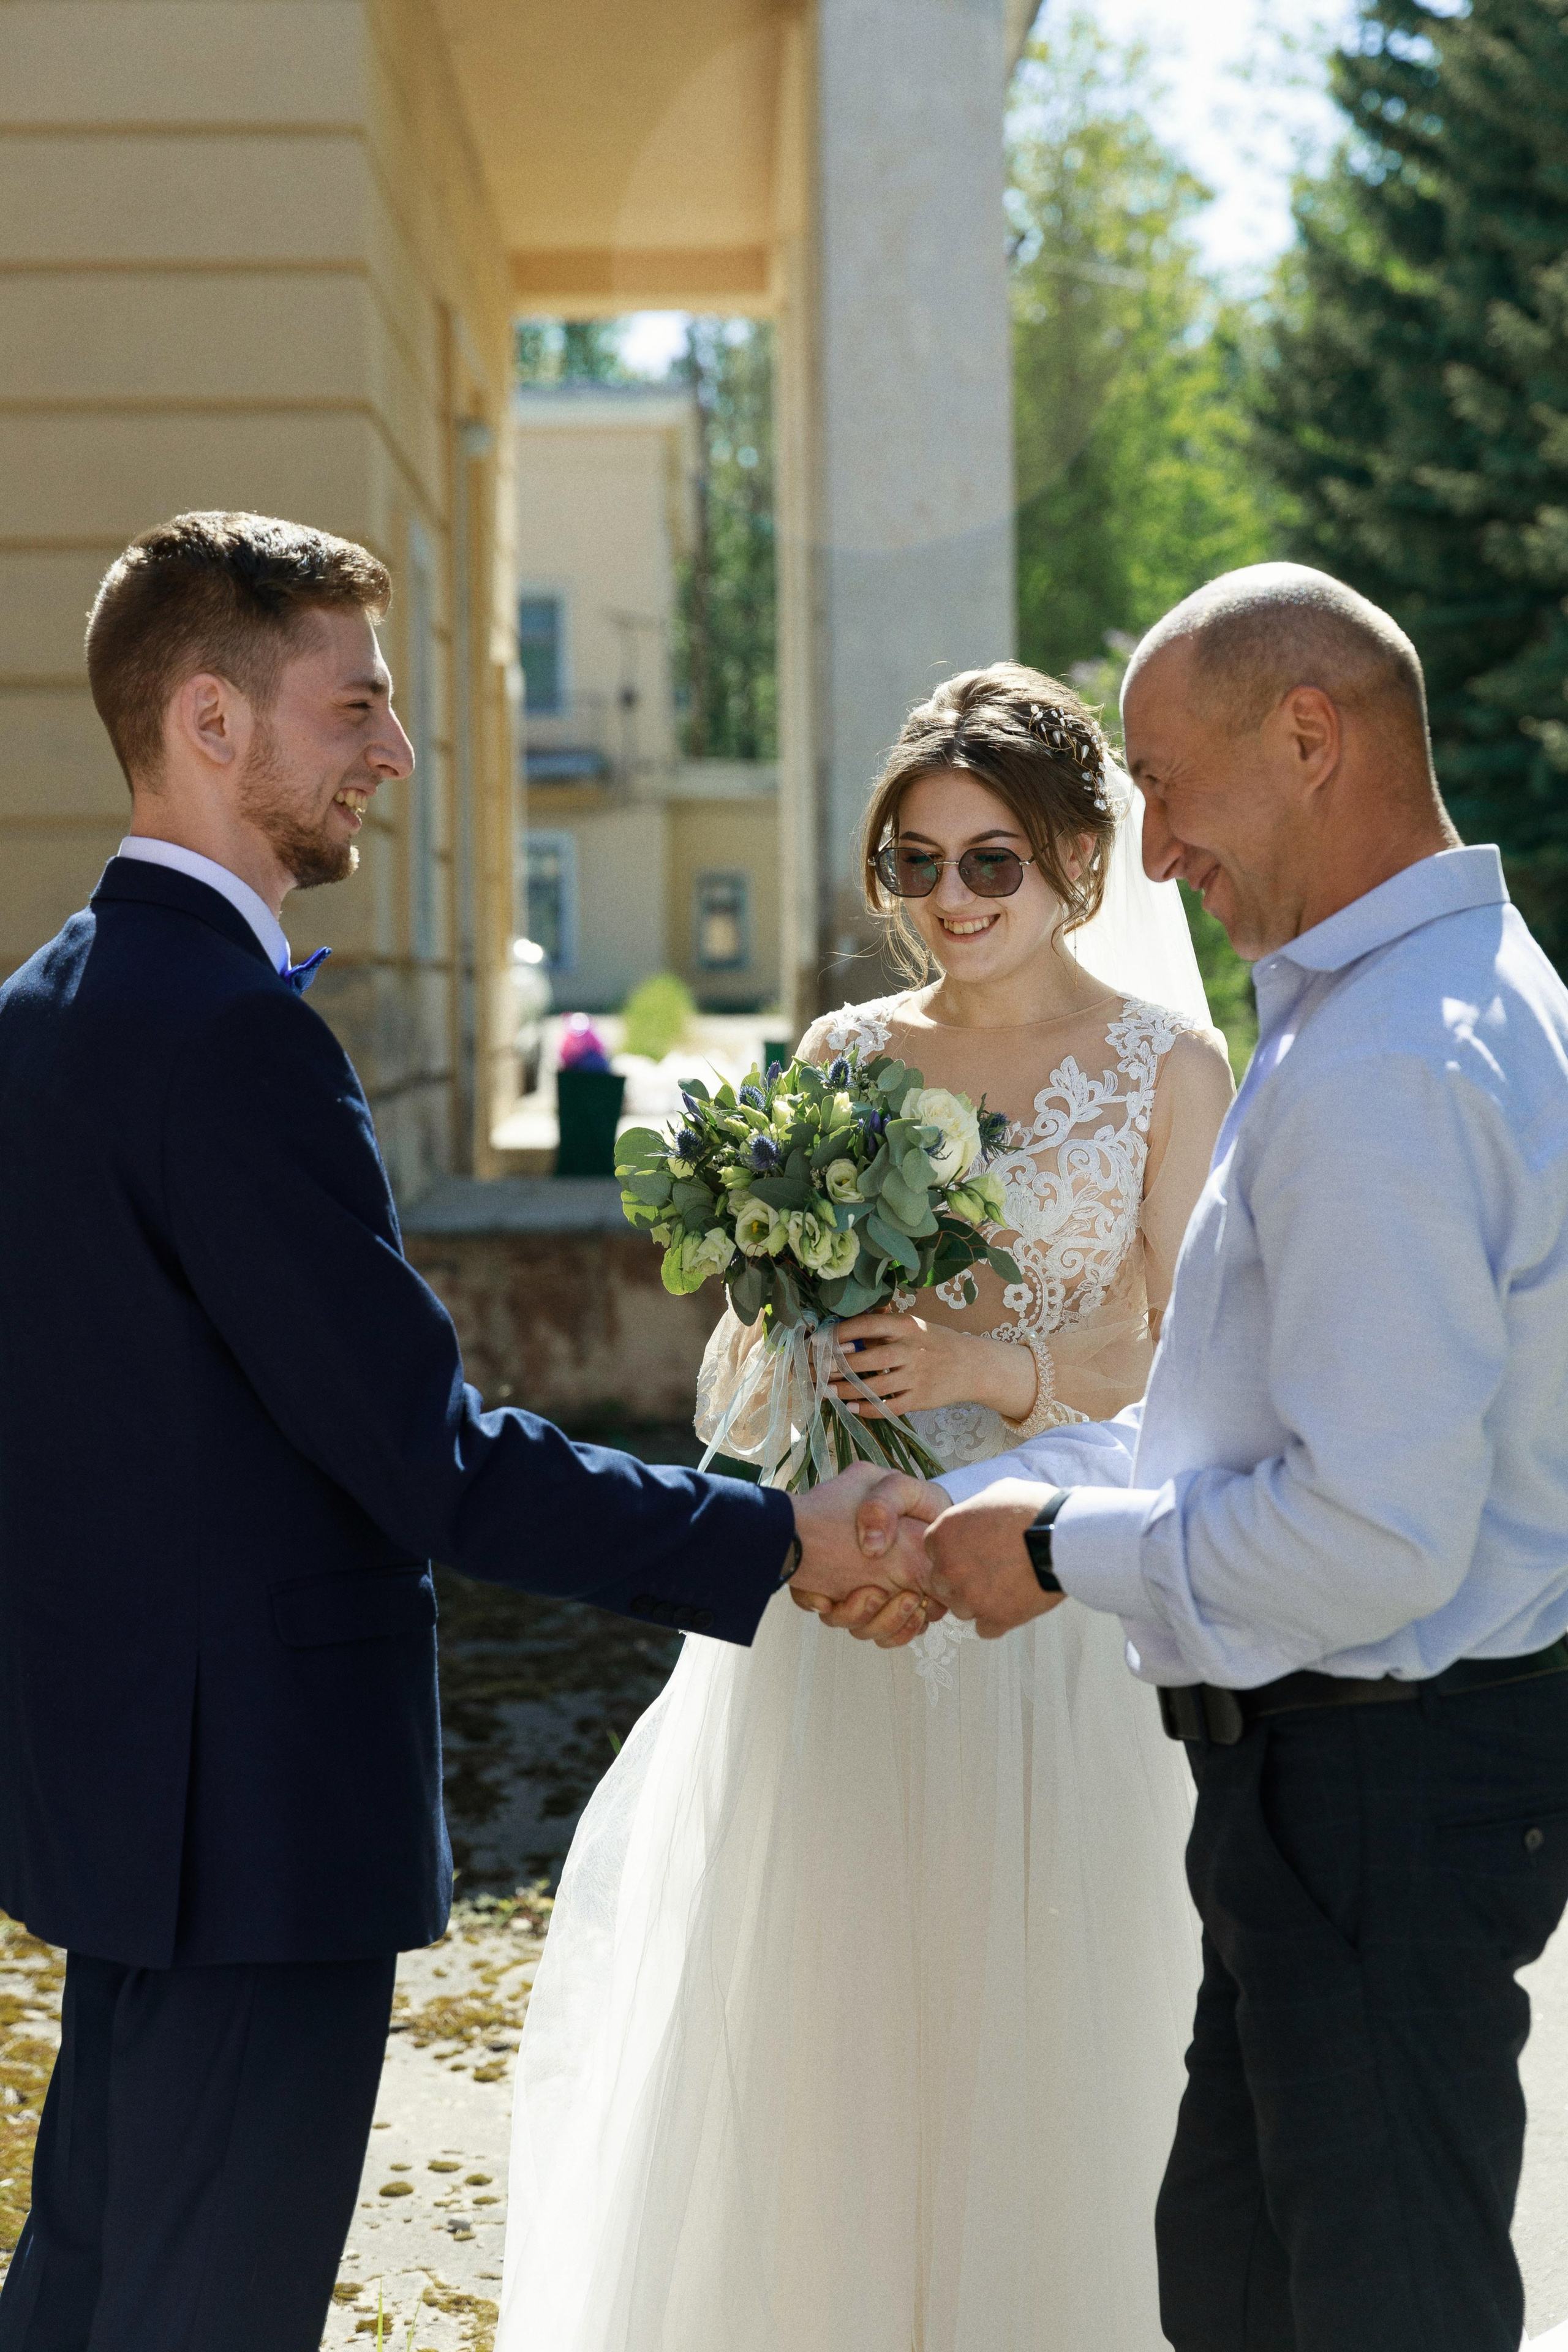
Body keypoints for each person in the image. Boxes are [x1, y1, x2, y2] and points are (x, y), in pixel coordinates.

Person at [0, 511, 924, 2352]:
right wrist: (769, 1536)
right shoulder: (237, 1042)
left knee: (91, 2287)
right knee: (195, 2313)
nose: (397, 752)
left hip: (118, 1798)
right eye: (354, 705)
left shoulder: (41, 1008)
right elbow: (428, 1457)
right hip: (259, 1819)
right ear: (209, 720)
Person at [868, 567, 1568, 2352]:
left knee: (1373, 2307)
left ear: (1310, 736)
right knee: (1245, 2291)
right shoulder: (1401, 999)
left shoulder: (1393, 1062)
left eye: (1170, 786)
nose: (1160, 853)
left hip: (1379, 1787)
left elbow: (1372, 1536)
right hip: (1347, 1795)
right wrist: (1012, 1493)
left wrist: (1053, 1553)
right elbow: (1238, 1415)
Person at [501, 663, 1235, 2351]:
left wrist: (997, 1370)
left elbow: (1206, 1370)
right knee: (835, 2016)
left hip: (1052, 1604)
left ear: (1078, 857)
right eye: (917, 861)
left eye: (991, 860)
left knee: (1043, 2024)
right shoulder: (841, 1056)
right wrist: (820, 1434)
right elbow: (761, 1366)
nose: (951, 898)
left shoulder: (1167, 1068)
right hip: (850, 1596)